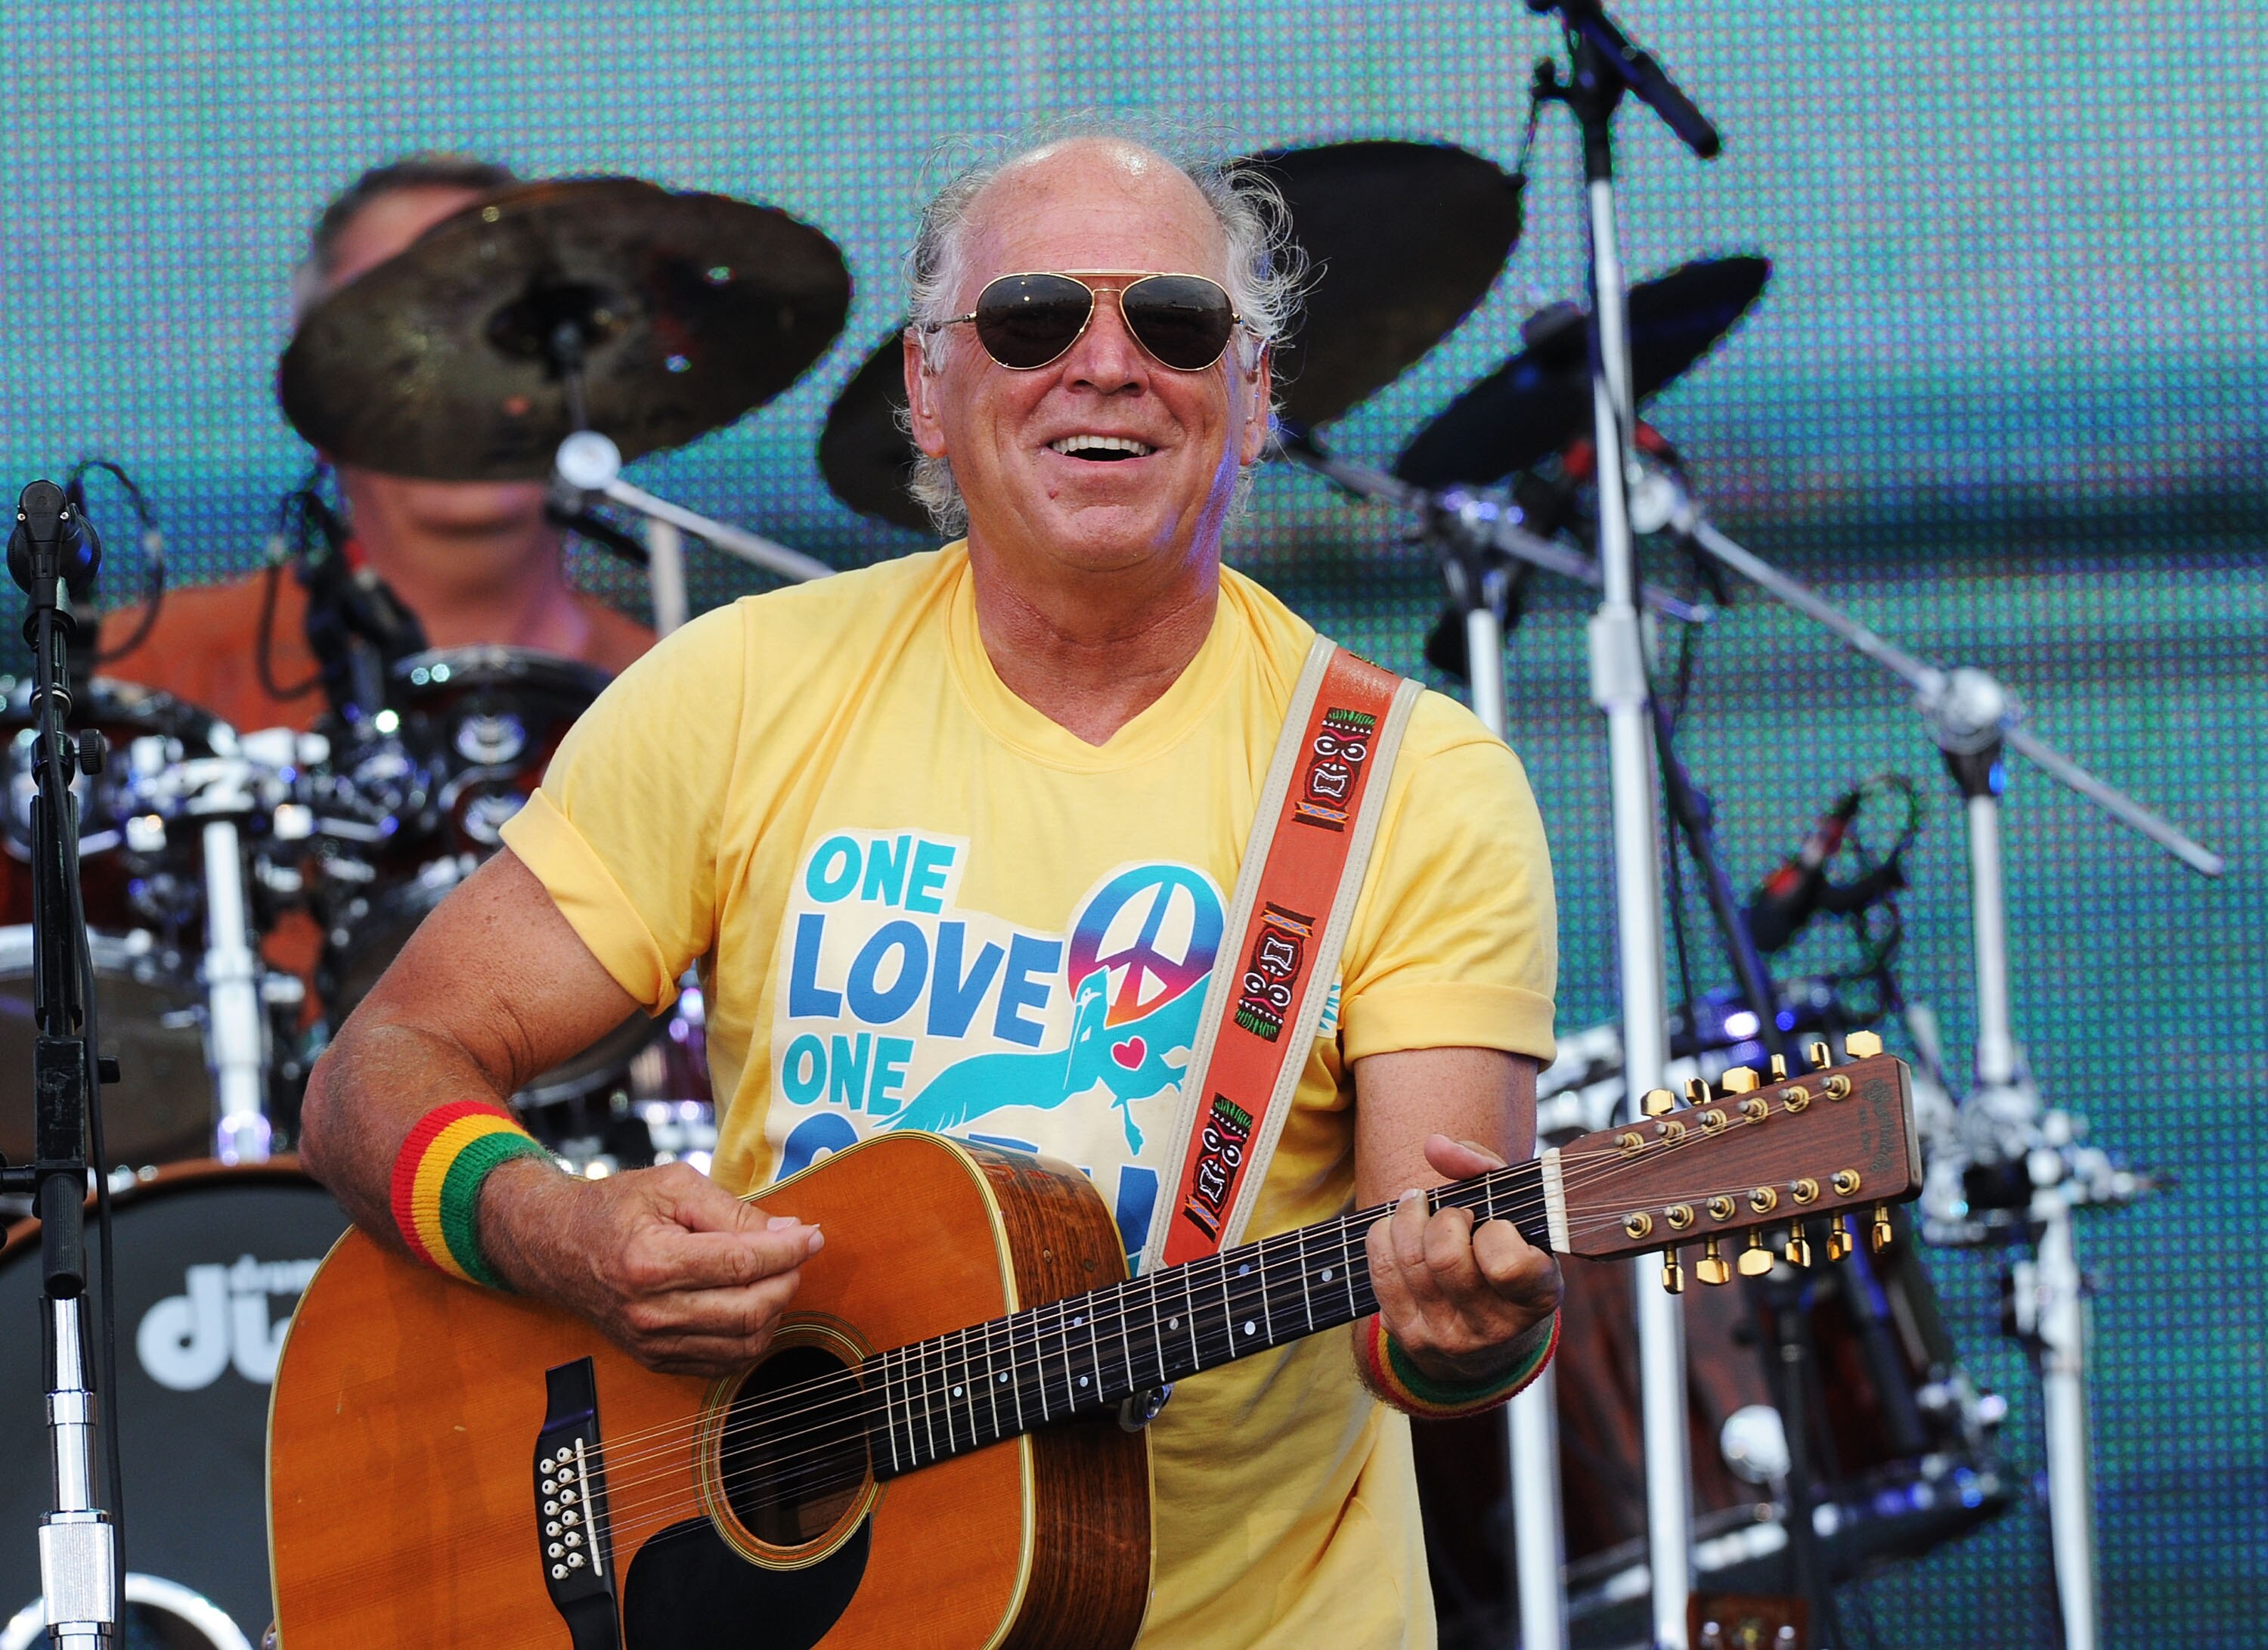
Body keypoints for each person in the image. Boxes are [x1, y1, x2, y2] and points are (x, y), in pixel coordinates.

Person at [298, 123, 1563, 1648]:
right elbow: (376, 1069)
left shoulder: (1413, 778)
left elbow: (1424, 1325)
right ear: (924, 387)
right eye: (1033, 318)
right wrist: (562, 1234)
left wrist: (1471, 1320)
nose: (1105, 362)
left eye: (1174, 322)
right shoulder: (744, 687)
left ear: (1255, 392)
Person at [101, 154, 652, 735]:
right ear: (316, 396)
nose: (459, 372)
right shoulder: (136, 680)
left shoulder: (692, 712)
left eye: (509, 325)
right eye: (395, 325)